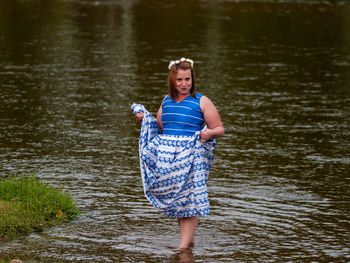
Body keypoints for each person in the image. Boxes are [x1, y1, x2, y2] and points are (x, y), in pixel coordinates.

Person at [132, 57, 224, 250]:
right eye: (180, 80)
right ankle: (189, 244)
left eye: (188, 79)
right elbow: (160, 127)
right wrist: (144, 120)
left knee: (189, 199)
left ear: (193, 79)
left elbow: (219, 128)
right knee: (178, 200)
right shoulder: (166, 101)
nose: (184, 84)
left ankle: (182, 250)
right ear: (172, 80)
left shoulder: (201, 101)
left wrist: (209, 132)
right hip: (170, 159)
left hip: (191, 156)